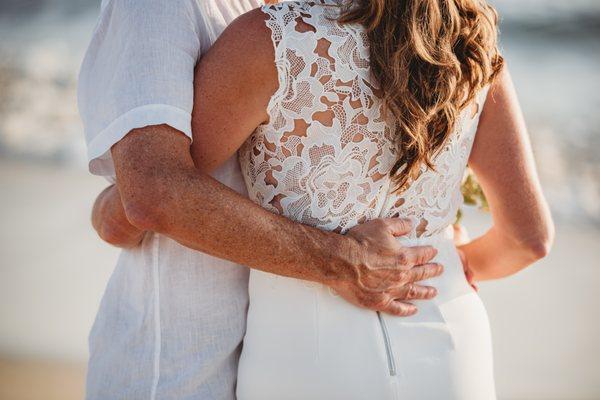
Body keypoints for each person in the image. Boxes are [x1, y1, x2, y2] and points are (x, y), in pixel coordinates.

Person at [96, 0, 554, 398]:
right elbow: (529, 239)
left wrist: (105, 212)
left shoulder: (270, 41)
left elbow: (154, 192)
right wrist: (442, 263)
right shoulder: (471, 45)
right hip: (452, 338)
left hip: (306, 356)